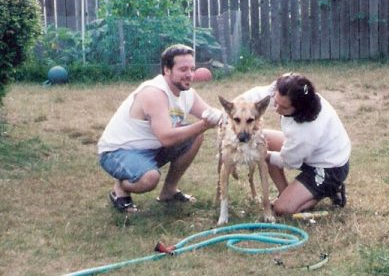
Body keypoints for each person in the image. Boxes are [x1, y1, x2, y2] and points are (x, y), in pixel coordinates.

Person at [97, 44, 222, 212]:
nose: (190, 75)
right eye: (183, 69)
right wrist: (203, 125)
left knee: (195, 136)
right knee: (150, 179)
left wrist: (239, 115)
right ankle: (120, 188)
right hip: (119, 151)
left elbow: (213, 114)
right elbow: (166, 138)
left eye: (192, 69)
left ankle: (169, 191)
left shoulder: (187, 93)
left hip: (152, 148)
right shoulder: (154, 93)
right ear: (167, 70)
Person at [240, 72, 351, 216]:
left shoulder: (306, 130)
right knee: (263, 138)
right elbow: (261, 93)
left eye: (284, 108)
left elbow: (288, 161)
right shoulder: (290, 86)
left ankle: (330, 188)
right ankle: (286, 194)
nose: (277, 109)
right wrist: (234, 106)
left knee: (282, 210)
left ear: (299, 108)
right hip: (315, 152)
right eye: (276, 102)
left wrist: (263, 156)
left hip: (330, 167)